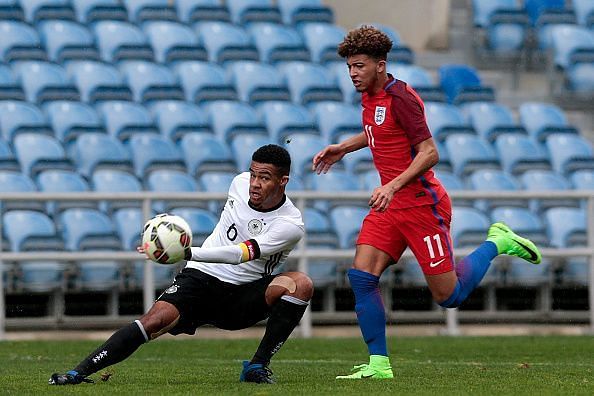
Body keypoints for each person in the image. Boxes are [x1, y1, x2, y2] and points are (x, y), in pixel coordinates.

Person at [312, 26, 542, 380]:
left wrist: (392, 186)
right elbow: (379, 132)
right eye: (350, 67)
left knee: (448, 296)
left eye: (359, 66)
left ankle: (497, 241)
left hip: (421, 205)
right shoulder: (369, 95)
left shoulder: (402, 98)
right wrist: (344, 147)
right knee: (361, 276)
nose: (353, 73)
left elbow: (429, 152)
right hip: (390, 208)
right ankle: (379, 365)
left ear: (380, 65)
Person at [50, 144, 312, 385]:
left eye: (264, 178)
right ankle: (77, 373)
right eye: (253, 174)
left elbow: (240, 254)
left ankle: (257, 366)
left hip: (244, 296)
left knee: (300, 284)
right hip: (201, 278)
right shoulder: (238, 183)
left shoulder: (289, 224)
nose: (254, 184)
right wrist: (185, 254)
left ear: (283, 181)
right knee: (153, 321)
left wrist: (185, 252)